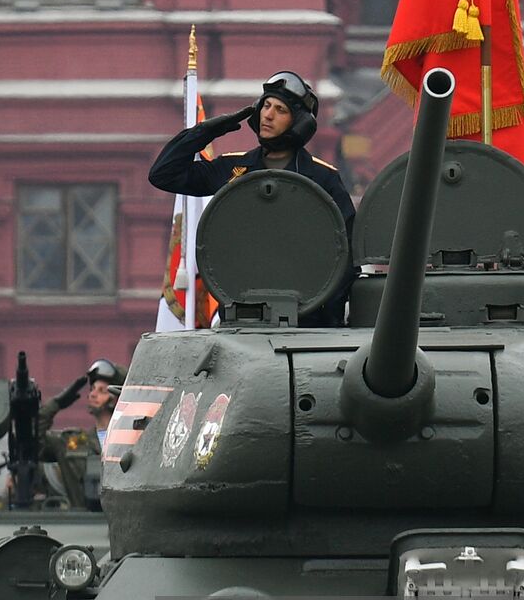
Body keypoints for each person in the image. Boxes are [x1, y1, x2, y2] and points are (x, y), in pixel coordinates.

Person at [148, 70, 358, 326]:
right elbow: (163, 175)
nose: (268, 115)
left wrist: (328, 316)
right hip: (241, 317)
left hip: (306, 319)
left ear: (299, 123)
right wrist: (205, 132)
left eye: (280, 110)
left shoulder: (322, 179)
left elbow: (347, 255)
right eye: (266, 105)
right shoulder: (232, 169)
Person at [35, 358, 125, 510]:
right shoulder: (73, 443)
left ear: (117, 399)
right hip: (83, 524)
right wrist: (55, 404)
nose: (92, 394)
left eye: (101, 390)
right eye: (92, 389)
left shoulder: (134, 441)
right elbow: (31, 438)